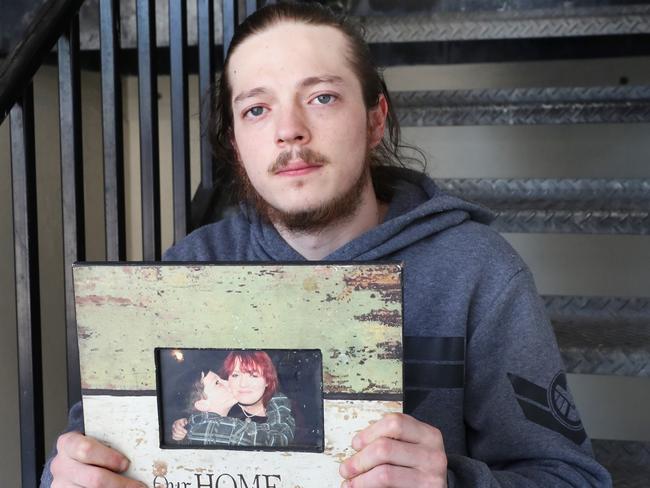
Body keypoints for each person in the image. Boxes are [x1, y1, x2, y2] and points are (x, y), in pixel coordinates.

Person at [43, 3, 612, 487]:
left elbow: (572, 476)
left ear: (374, 119)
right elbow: (88, 455)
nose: (288, 129)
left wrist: (453, 481)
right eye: (257, 109)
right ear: (236, 143)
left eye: (320, 98)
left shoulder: (478, 270)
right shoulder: (189, 267)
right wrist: (68, 474)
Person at [171, 351, 295, 447]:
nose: (243, 384)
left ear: (268, 380)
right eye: (235, 375)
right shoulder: (222, 416)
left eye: (254, 375)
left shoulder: (290, 412)